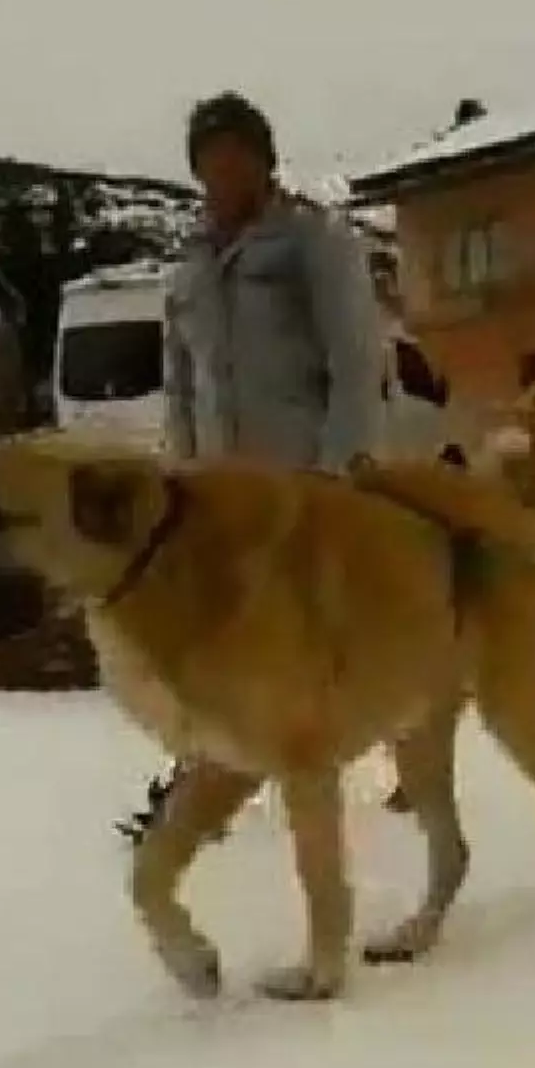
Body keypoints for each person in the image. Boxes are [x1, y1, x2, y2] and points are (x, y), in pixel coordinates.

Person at [121, 92, 385, 840]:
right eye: (209, 160)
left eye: (236, 155)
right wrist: (178, 474)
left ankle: (367, 745)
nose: (222, 171)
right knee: (215, 639)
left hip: (301, 480)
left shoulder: (311, 242)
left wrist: (341, 468)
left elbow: (357, 358)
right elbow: (180, 379)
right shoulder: (190, 267)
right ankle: (204, 776)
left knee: (320, 630)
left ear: (264, 160)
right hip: (215, 491)